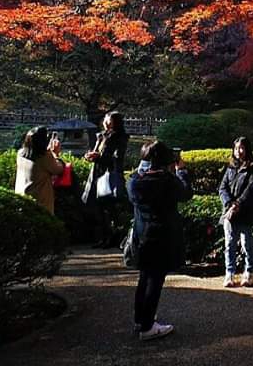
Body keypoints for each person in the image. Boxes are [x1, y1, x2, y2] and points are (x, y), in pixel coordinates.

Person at [127, 140, 192, 341]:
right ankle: (148, 327)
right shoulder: (167, 181)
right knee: (155, 280)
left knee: (144, 277)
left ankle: (141, 319)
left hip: (141, 234)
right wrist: (181, 172)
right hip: (162, 236)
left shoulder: (135, 181)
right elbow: (186, 193)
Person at [82, 111, 130, 247]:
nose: (106, 121)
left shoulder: (120, 137)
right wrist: (89, 156)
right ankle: (101, 237)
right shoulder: (101, 135)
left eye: (109, 119)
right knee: (97, 207)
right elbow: (95, 151)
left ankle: (112, 237)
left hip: (109, 174)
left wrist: (99, 157)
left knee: (109, 207)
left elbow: (118, 157)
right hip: (97, 173)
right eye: (106, 119)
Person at [219, 136, 253, 287]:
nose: (239, 151)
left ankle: (249, 271)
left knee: (246, 244)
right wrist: (230, 204)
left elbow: (251, 190)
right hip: (230, 213)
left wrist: (237, 205)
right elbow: (222, 188)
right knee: (229, 244)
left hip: (245, 212)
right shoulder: (230, 168)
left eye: (241, 148)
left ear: (247, 149)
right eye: (236, 148)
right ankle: (229, 273)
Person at [14, 126, 67, 214]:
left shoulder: (20, 153)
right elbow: (58, 169)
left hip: (21, 196)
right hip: (39, 202)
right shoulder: (43, 157)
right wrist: (55, 154)